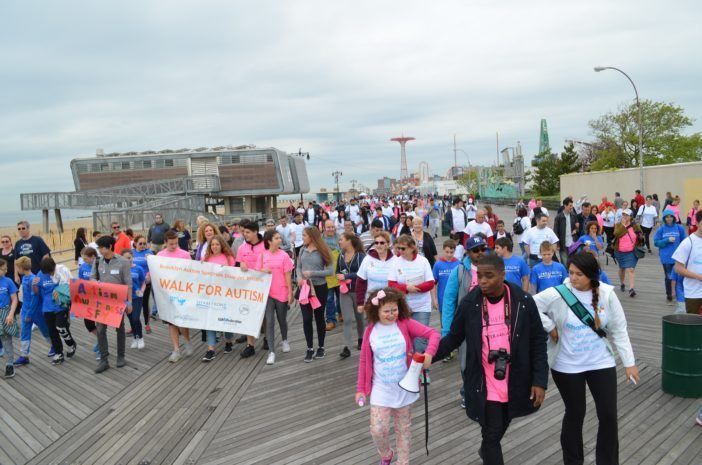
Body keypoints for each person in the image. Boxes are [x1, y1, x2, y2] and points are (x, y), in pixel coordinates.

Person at [433, 254, 548, 465]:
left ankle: (486, 450)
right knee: (492, 434)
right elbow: (453, 338)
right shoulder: (470, 303)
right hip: (484, 381)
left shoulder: (523, 301)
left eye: (489, 276)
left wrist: (540, 381)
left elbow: (538, 341)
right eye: (480, 276)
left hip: (515, 379)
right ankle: (488, 451)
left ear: (502, 275)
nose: (483, 281)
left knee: (499, 427)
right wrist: (429, 356)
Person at [534, 252, 639, 465]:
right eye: (571, 273)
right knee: (575, 413)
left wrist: (629, 363)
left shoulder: (607, 294)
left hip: (601, 362)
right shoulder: (558, 293)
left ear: (591, 274)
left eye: (579, 274)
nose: (573, 278)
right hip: (566, 365)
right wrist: (550, 326)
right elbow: (530, 304)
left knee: (609, 416)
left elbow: (619, 330)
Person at [355, 287, 438, 465]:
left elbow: (433, 334)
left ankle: (403, 462)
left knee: (404, 431)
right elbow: (364, 362)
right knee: (378, 430)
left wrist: (429, 354)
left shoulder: (405, 323)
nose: (392, 314)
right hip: (381, 390)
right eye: (386, 311)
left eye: (395, 309)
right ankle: (386, 455)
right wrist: (361, 389)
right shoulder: (371, 331)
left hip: (404, 389)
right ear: (376, 311)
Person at [388, 235, 435, 382]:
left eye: (403, 248)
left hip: (422, 305)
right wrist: (406, 288)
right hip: (404, 306)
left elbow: (431, 283)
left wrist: (416, 289)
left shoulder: (423, 261)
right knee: (405, 339)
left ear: (412, 248)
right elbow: (391, 284)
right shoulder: (396, 262)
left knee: (420, 340)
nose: (400, 251)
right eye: (398, 248)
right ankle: (408, 369)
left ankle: (423, 370)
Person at [91, 236, 132, 373]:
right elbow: (92, 278)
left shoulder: (123, 262)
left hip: (118, 302)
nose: (99, 250)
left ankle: (121, 357)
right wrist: (93, 282)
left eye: (101, 247)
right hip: (102, 302)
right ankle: (104, 360)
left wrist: (129, 302)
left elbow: (128, 284)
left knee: (119, 328)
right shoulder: (97, 261)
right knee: (101, 330)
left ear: (109, 246)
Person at [256, 230, 294, 365]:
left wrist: (290, 293)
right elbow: (256, 272)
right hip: (267, 294)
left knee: (282, 319)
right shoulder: (262, 255)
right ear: (269, 241)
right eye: (277, 238)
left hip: (282, 292)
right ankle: (271, 351)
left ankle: (284, 340)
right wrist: (262, 270)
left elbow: (288, 275)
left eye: (279, 238)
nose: (279, 240)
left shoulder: (284, 256)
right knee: (270, 322)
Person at [296, 226, 334, 362]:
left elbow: (330, 271)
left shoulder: (324, 250)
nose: (302, 238)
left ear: (312, 237)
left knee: (319, 318)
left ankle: (321, 347)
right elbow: (298, 267)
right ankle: (309, 348)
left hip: (320, 288)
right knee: (306, 319)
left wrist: (313, 273)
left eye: (304, 235)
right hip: (305, 289)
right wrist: (299, 278)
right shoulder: (302, 250)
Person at [157, 231, 194, 362]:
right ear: (165, 242)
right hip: (167, 294)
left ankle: (187, 341)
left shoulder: (185, 254)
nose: (174, 246)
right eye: (171, 244)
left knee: (182, 321)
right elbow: (157, 273)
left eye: (176, 243)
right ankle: (176, 350)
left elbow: (191, 272)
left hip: (182, 293)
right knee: (171, 322)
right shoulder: (160, 255)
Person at [199, 235, 236, 362]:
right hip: (210, 294)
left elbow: (234, 275)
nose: (214, 246)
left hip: (225, 294)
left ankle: (229, 341)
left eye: (217, 244)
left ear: (222, 245)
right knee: (210, 321)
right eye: (212, 244)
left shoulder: (229, 258)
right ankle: (211, 349)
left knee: (226, 319)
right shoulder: (206, 258)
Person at [33, 257, 75, 365]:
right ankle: (58, 353)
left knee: (61, 327)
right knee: (52, 331)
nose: (50, 274)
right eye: (48, 273)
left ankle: (71, 344)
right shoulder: (40, 274)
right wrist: (33, 285)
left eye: (51, 271)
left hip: (61, 305)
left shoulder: (62, 270)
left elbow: (71, 285)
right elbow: (37, 292)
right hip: (47, 307)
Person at [236, 219, 267, 357]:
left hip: (263, 286)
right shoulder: (242, 248)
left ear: (255, 232)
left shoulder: (266, 245)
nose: (245, 235)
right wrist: (241, 264)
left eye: (248, 232)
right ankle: (250, 345)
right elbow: (236, 266)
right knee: (248, 314)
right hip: (247, 287)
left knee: (265, 314)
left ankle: (267, 338)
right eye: (244, 232)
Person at [13, 256, 51, 366]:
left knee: (45, 330)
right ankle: (24, 355)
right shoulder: (25, 278)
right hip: (25, 309)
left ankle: (54, 346)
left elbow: (35, 298)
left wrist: (29, 313)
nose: (17, 270)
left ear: (21, 268)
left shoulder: (33, 279)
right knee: (25, 332)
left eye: (17, 268)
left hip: (36, 311)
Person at [337, 232, 366, 358]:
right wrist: (339, 276)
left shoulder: (361, 256)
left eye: (341, 239)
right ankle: (346, 347)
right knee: (347, 319)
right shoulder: (341, 255)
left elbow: (362, 273)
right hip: (345, 291)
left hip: (358, 291)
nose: (339, 241)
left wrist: (346, 276)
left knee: (360, 318)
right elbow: (337, 270)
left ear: (349, 241)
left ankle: (361, 339)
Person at [355, 231, 396, 310]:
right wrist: (360, 303)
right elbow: (360, 282)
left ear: (387, 244)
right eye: (376, 243)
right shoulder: (367, 259)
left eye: (381, 243)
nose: (378, 245)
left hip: (390, 302)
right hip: (371, 301)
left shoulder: (395, 260)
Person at [672, 209, 702, 314]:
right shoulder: (688, 242)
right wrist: (698, 277)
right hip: (694, 294)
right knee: (694, 325)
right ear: (697, 223)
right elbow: (678, 268)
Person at [654, 209, 686, 303]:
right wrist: (666, 240)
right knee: (668, 277)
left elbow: (685, 242)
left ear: (673, 217)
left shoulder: (679, 228)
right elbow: (656, 243)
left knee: (679, 277)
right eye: (667, 217)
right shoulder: (661, 229)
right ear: (664, 218)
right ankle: (669, 294)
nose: (669, 219)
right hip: (666, 258)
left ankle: (678, 294)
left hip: (678, 258)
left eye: (670, 216)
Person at [613, 209, 643, 298]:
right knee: (622, 268)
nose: (625, 216)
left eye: (626, 215)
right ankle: (622, 283)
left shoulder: (635, 226)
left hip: (631, 252)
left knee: (631, 269)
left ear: (631, 216)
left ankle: (631, 289)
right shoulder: (618, 225)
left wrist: (640, 236)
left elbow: (640, 235)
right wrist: (623, 225)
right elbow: (616, 234)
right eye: (623, 215)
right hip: (619, 251)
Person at [77, 247, 101, 360]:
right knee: (89, 325)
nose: (84, 261)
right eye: (83, 259)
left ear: (93, 257)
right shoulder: (83, 267)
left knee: (101, 325)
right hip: (87, 300)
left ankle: (102, 348)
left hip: (100, 300)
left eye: (86, 259)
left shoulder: (101, 265)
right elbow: (80, 283)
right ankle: (100, 340)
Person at [121, 249, 146, 350]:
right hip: (125, 298)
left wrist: (142, 291)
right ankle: (135, 337)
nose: (128, 260)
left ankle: (140, 337)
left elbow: (143, 282)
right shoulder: (121, 270)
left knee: (136, 318)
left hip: (136, 298)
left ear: (132, 257)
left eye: (129, 258)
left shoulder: (138, 268)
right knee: (131, 318)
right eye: (125, 258)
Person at [431, 239, 460, 319]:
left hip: (456, 298)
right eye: (447, 252)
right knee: (443, 321)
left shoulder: (459, 264)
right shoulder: (438, 265)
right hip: (442, 298)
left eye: (451, 252)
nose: (449, 254)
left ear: (455, 251)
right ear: (443, 250)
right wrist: (434, 299)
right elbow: (433, 283)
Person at [0, 258, 19, 378]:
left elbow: (15, 299)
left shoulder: (8, 281)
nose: (6, 271)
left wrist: (11, 314)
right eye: (3, 269)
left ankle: (9, 364)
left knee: (7, 340)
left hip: (6, 313)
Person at [132, 235, 155, 329]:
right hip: (133, 282)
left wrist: (149, 275)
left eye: (144, 243)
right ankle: (133, 325)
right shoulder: (131, 252)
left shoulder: (149, 252)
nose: (142, 245)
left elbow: (154, 266)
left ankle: (147, 324)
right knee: (133, 303)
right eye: (140, 243)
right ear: (135, 244)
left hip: (145, 281)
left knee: (144, 303)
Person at [554, 198, 579, 264]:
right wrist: (557, 244)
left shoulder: (574, 215)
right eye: (570, 205)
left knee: (572, 262)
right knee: (564, 263)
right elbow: (555, 231)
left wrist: (575, 230)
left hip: (572, 242)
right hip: (563, 244)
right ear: (565, 205)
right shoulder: (559, 217)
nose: (571, 207)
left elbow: (577, 227)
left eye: (572, 205)